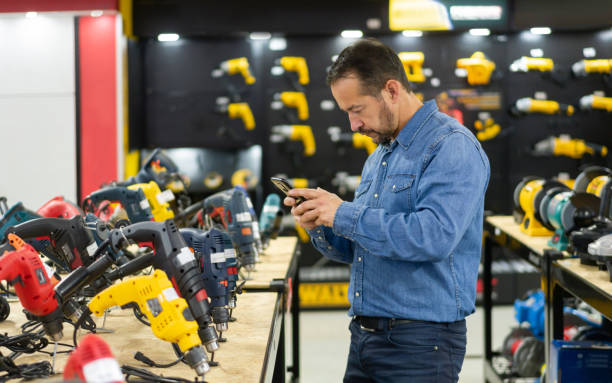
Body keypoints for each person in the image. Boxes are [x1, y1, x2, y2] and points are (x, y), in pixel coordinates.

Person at [284, 39, 490, 383]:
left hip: (421, 345)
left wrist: (344, 213)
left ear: (391, 90)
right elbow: (360, 248)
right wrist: (320, 222)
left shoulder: (451, 146)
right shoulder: (380, 155)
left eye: (357, 109)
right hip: (365, 339)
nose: (353, 125)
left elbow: (433, 237)